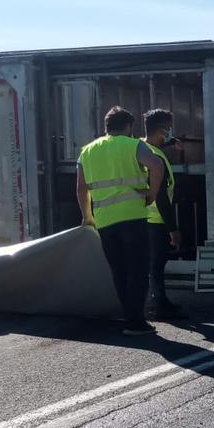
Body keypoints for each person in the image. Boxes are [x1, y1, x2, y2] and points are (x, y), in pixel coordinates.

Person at [77, 106, 165, 336]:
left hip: (105, 221)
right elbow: (157, 165)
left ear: (107, 127)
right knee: (138, 270)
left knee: (119, 271)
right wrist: (152, 194)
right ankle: (137, 322)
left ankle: (129, 318)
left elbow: (80, 189)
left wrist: (87, 216)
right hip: (133, 217)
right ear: (128, 127)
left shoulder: (87, 151)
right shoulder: (133, 144)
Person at [142, 108, 186, 321]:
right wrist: (173, 229)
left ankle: (157, 301)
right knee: (156, 265)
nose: (171, 131)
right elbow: (161, 197)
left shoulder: (141, 149)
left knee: (152, 264)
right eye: (169, 128)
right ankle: (158, 304)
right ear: (161, 129)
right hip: (156, 219)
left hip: (143, 217)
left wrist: (170, 143)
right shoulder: (156, 157)